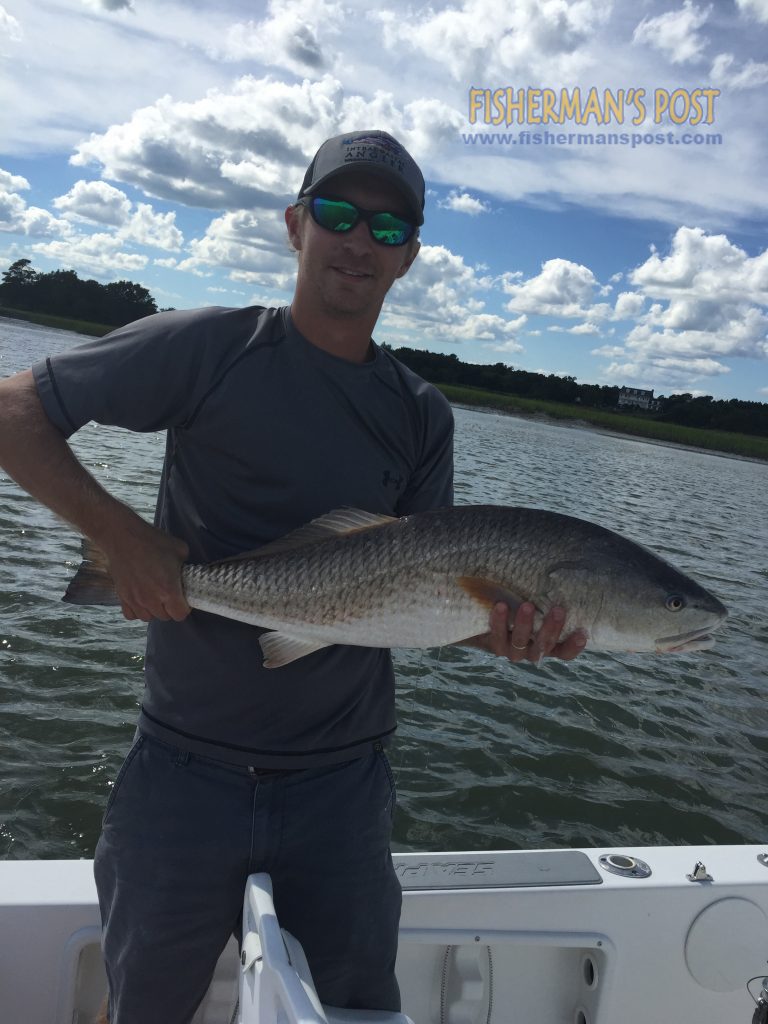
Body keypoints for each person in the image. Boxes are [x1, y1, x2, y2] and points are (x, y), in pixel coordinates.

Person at [0, 130, 585, 1023]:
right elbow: (14, 412)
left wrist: (504, 632)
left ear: (411, 258)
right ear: (295, 225)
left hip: (342, 789)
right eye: (339, 214)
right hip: (181, 769)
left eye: (389, 228)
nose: (361, 240)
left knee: (354, 1011)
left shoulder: (420, 414)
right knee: (147, 1005)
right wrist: (125, 538)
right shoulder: (209, 347)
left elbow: (420, 594)